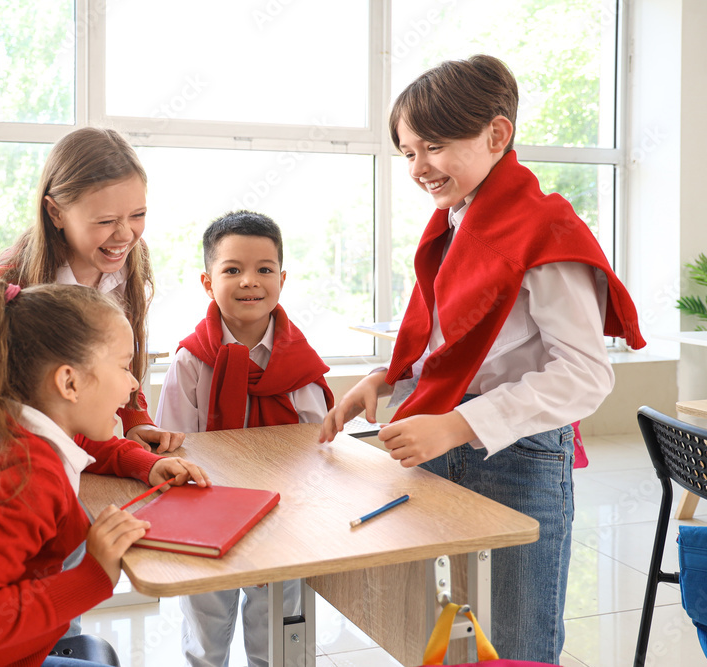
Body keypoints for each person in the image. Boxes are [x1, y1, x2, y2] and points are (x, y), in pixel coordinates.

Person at [319, 55, 645, 663]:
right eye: (408, 152)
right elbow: (456, 339)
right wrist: (385, 379)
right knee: (437, 629)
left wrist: (460, 424)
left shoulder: (546, 230)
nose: (418, 168)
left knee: (519, 639)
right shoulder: (456, 219)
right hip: (443, 434)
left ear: (497, 135)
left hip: (516, 454)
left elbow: (585, 374)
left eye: (434, 146)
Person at [0, 279, 211, 666]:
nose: (133, 384)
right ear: (69, 381)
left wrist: (144, 463)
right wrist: (92, 576)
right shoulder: (26, 477)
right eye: (124, 366)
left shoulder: (9, 424)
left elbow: (84, 442)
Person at [157, 210, 333, 667]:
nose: (249, 281)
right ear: (206, 281)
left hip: (284, 515)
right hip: (206, 512)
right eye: (232, 269)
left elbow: (317, 446)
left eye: (264, 269)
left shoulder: (300, 363)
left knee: (277, 637)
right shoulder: (191, 361)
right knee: (205, 638)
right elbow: (174, 447)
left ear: (282, 278)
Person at [0, 126, 184, 453]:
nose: (124, 235)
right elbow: (0, 407)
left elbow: (119, 358)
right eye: (105, 221)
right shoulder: (10, 280)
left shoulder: (131, 261)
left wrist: (136, 420)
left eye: (138, 215)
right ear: (56, 212)